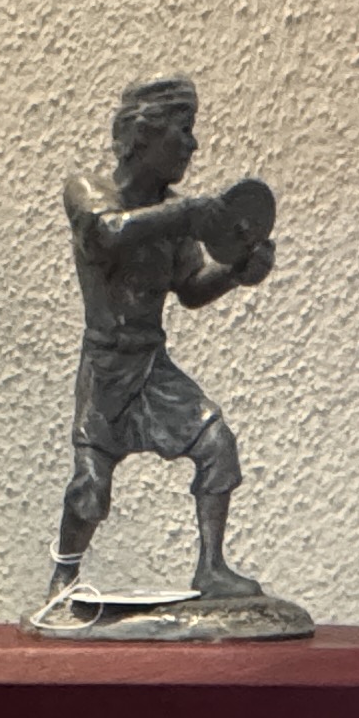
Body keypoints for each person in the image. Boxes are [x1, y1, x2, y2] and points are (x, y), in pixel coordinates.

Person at [48, 77, 281, 609]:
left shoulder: (176, 216)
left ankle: (211, 568)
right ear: (143, 134)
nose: (192, 145)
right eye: (183, 130)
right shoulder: (87, 190)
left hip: (152, 365)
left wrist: (237, 272)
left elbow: (191, 289)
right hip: (106, 369)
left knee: (216, 443)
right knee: (90, 489)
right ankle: (63, 578)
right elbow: (106, 233)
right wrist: (188, 214)